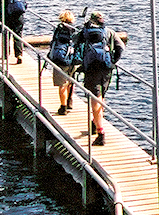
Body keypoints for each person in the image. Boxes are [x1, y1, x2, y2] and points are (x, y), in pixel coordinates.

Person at [75, 11, 124, 145]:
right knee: (100, 96)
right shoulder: (109, 32)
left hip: (91, 69)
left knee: (94, 98)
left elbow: (75, 43)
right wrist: (113, 61)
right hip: (106, 68)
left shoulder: (84, 31)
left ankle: (100, 132)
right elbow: (121, 47)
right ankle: (95, 122)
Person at [50, 10, 78, 115]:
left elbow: (53, 43)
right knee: (70, 81)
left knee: (62, 84)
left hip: (59, 59)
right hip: (71, 59)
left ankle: (63, 107)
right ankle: (69, 100)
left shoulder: (58, 29)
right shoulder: (74, 31)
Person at [0, 0, 27, 64]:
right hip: (19, 17)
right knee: (18, 35)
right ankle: (19, 55)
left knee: (6, 35)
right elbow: (25, 5)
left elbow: (2, 6)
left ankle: (5, 55)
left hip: (9, 17)